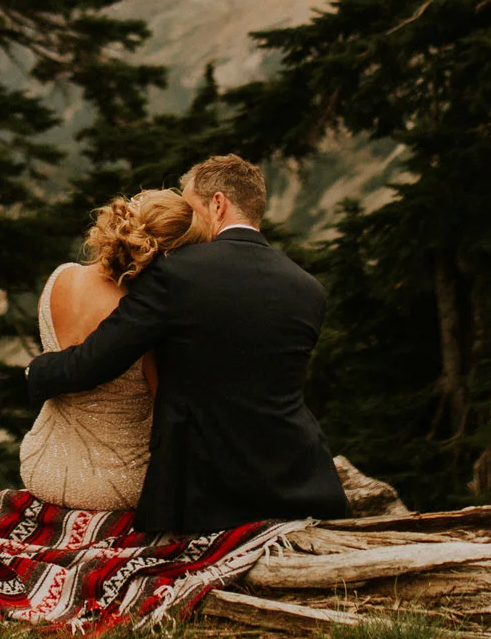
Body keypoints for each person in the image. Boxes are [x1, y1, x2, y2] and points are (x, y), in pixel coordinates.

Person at [25, 154, 351, 535]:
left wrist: (37, 371)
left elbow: (95, 362)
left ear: (217, 204)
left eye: (190, 205)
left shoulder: (175, 272)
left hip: (205, 495)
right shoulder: (308, 289)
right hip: (302, 481)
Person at [17, 188, 203, 509]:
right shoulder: (144, 319)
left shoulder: (62, 277)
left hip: (40, 464)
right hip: (117, 482)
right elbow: (169, 410)